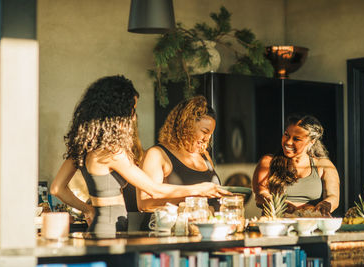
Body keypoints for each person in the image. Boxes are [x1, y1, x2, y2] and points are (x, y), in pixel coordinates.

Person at [50, 76, 229, 237]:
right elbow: (154, 190)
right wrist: (200, 189)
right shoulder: (113, 153)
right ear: (117, 110)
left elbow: (57, 188)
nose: (134, 117)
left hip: (101, 227)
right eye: (132, 110)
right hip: (110, 230)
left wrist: (88, 209)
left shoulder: (84, 146)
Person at [137, 96, 223, 212]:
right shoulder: (157, 155)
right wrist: (196, 195)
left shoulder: (204, 156)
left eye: (210, 134)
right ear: (187, 125)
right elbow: (145, 203)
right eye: (204, 132)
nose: (207, 139)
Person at [252, 114, 340, 216]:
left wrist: (326, 205)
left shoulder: (324, 165)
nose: (288, 142)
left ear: (312, 141)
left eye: (296, 139)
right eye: (286, 135)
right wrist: (280, 205)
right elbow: (260, 195)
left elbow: (333, 196)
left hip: (311, 224)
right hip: (277, 225)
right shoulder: (268, 162)